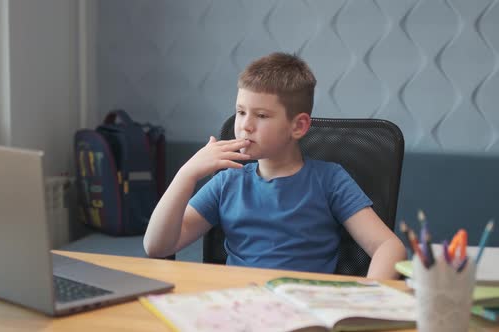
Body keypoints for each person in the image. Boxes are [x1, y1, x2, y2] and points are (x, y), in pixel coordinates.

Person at [143, 52, 405, 279]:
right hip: (238, 305)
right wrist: (186, 174)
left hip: (304, 306)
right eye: (241, 112)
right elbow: (157, 246)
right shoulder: (227, 181)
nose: (245, 125)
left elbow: (389, 247)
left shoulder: (330, 180)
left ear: (299, 126)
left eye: (261, 115)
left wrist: (370, 296)